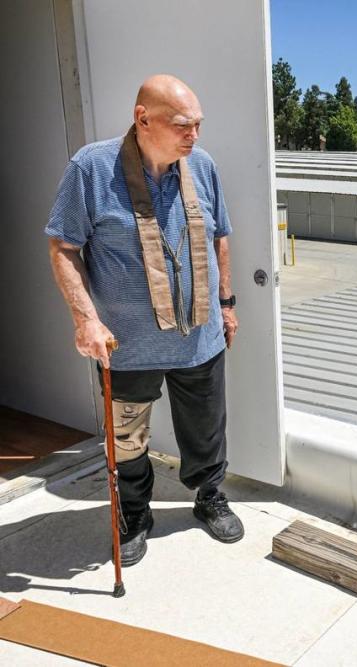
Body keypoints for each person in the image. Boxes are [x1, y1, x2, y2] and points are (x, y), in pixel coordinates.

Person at [47, 74, 243, 566]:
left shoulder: (202, 165)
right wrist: (85, 320)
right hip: (126, 346)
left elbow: (220, 235)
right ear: (143, 119)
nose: (193, 135)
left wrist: (226, 302)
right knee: (128, 438)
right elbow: (63, 246)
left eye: (198, 124)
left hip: (199, 338)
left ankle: (208, 496)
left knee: (206, 429)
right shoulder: (91, 168)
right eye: (182, 125)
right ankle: (135, 513)